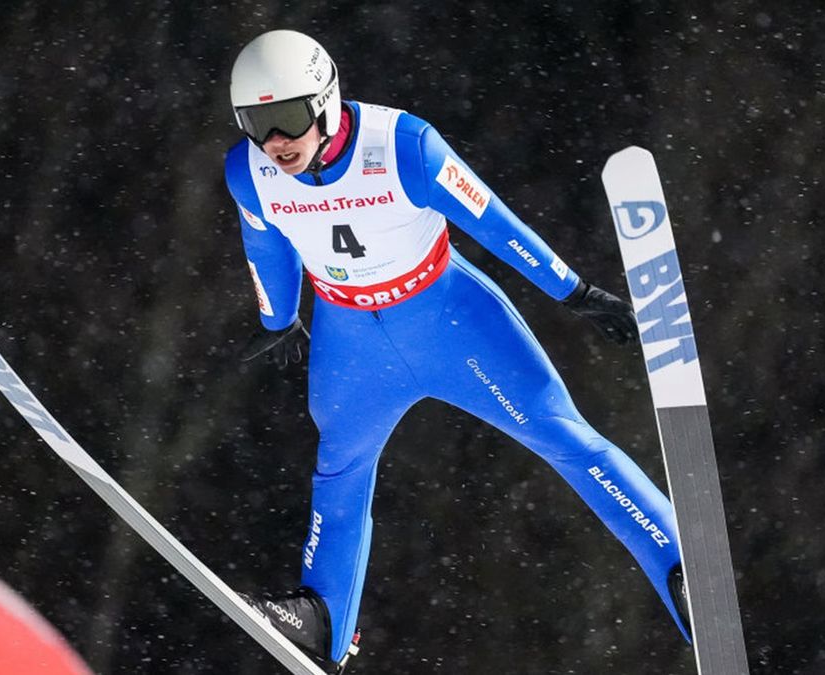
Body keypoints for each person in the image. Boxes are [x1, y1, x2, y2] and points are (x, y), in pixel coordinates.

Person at [224, 29, 690, 672]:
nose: (275, 143)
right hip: (352, 341)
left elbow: (493, 222)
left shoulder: (403, 146)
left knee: (561, 435)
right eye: (256, 125)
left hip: (449, 321)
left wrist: (575, 292)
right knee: (339, 468)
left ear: (327, 100)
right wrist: (278, 320)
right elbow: (266, 245)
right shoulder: (248, 172)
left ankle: (680, 568)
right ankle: (323, 620)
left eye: (286, 119)